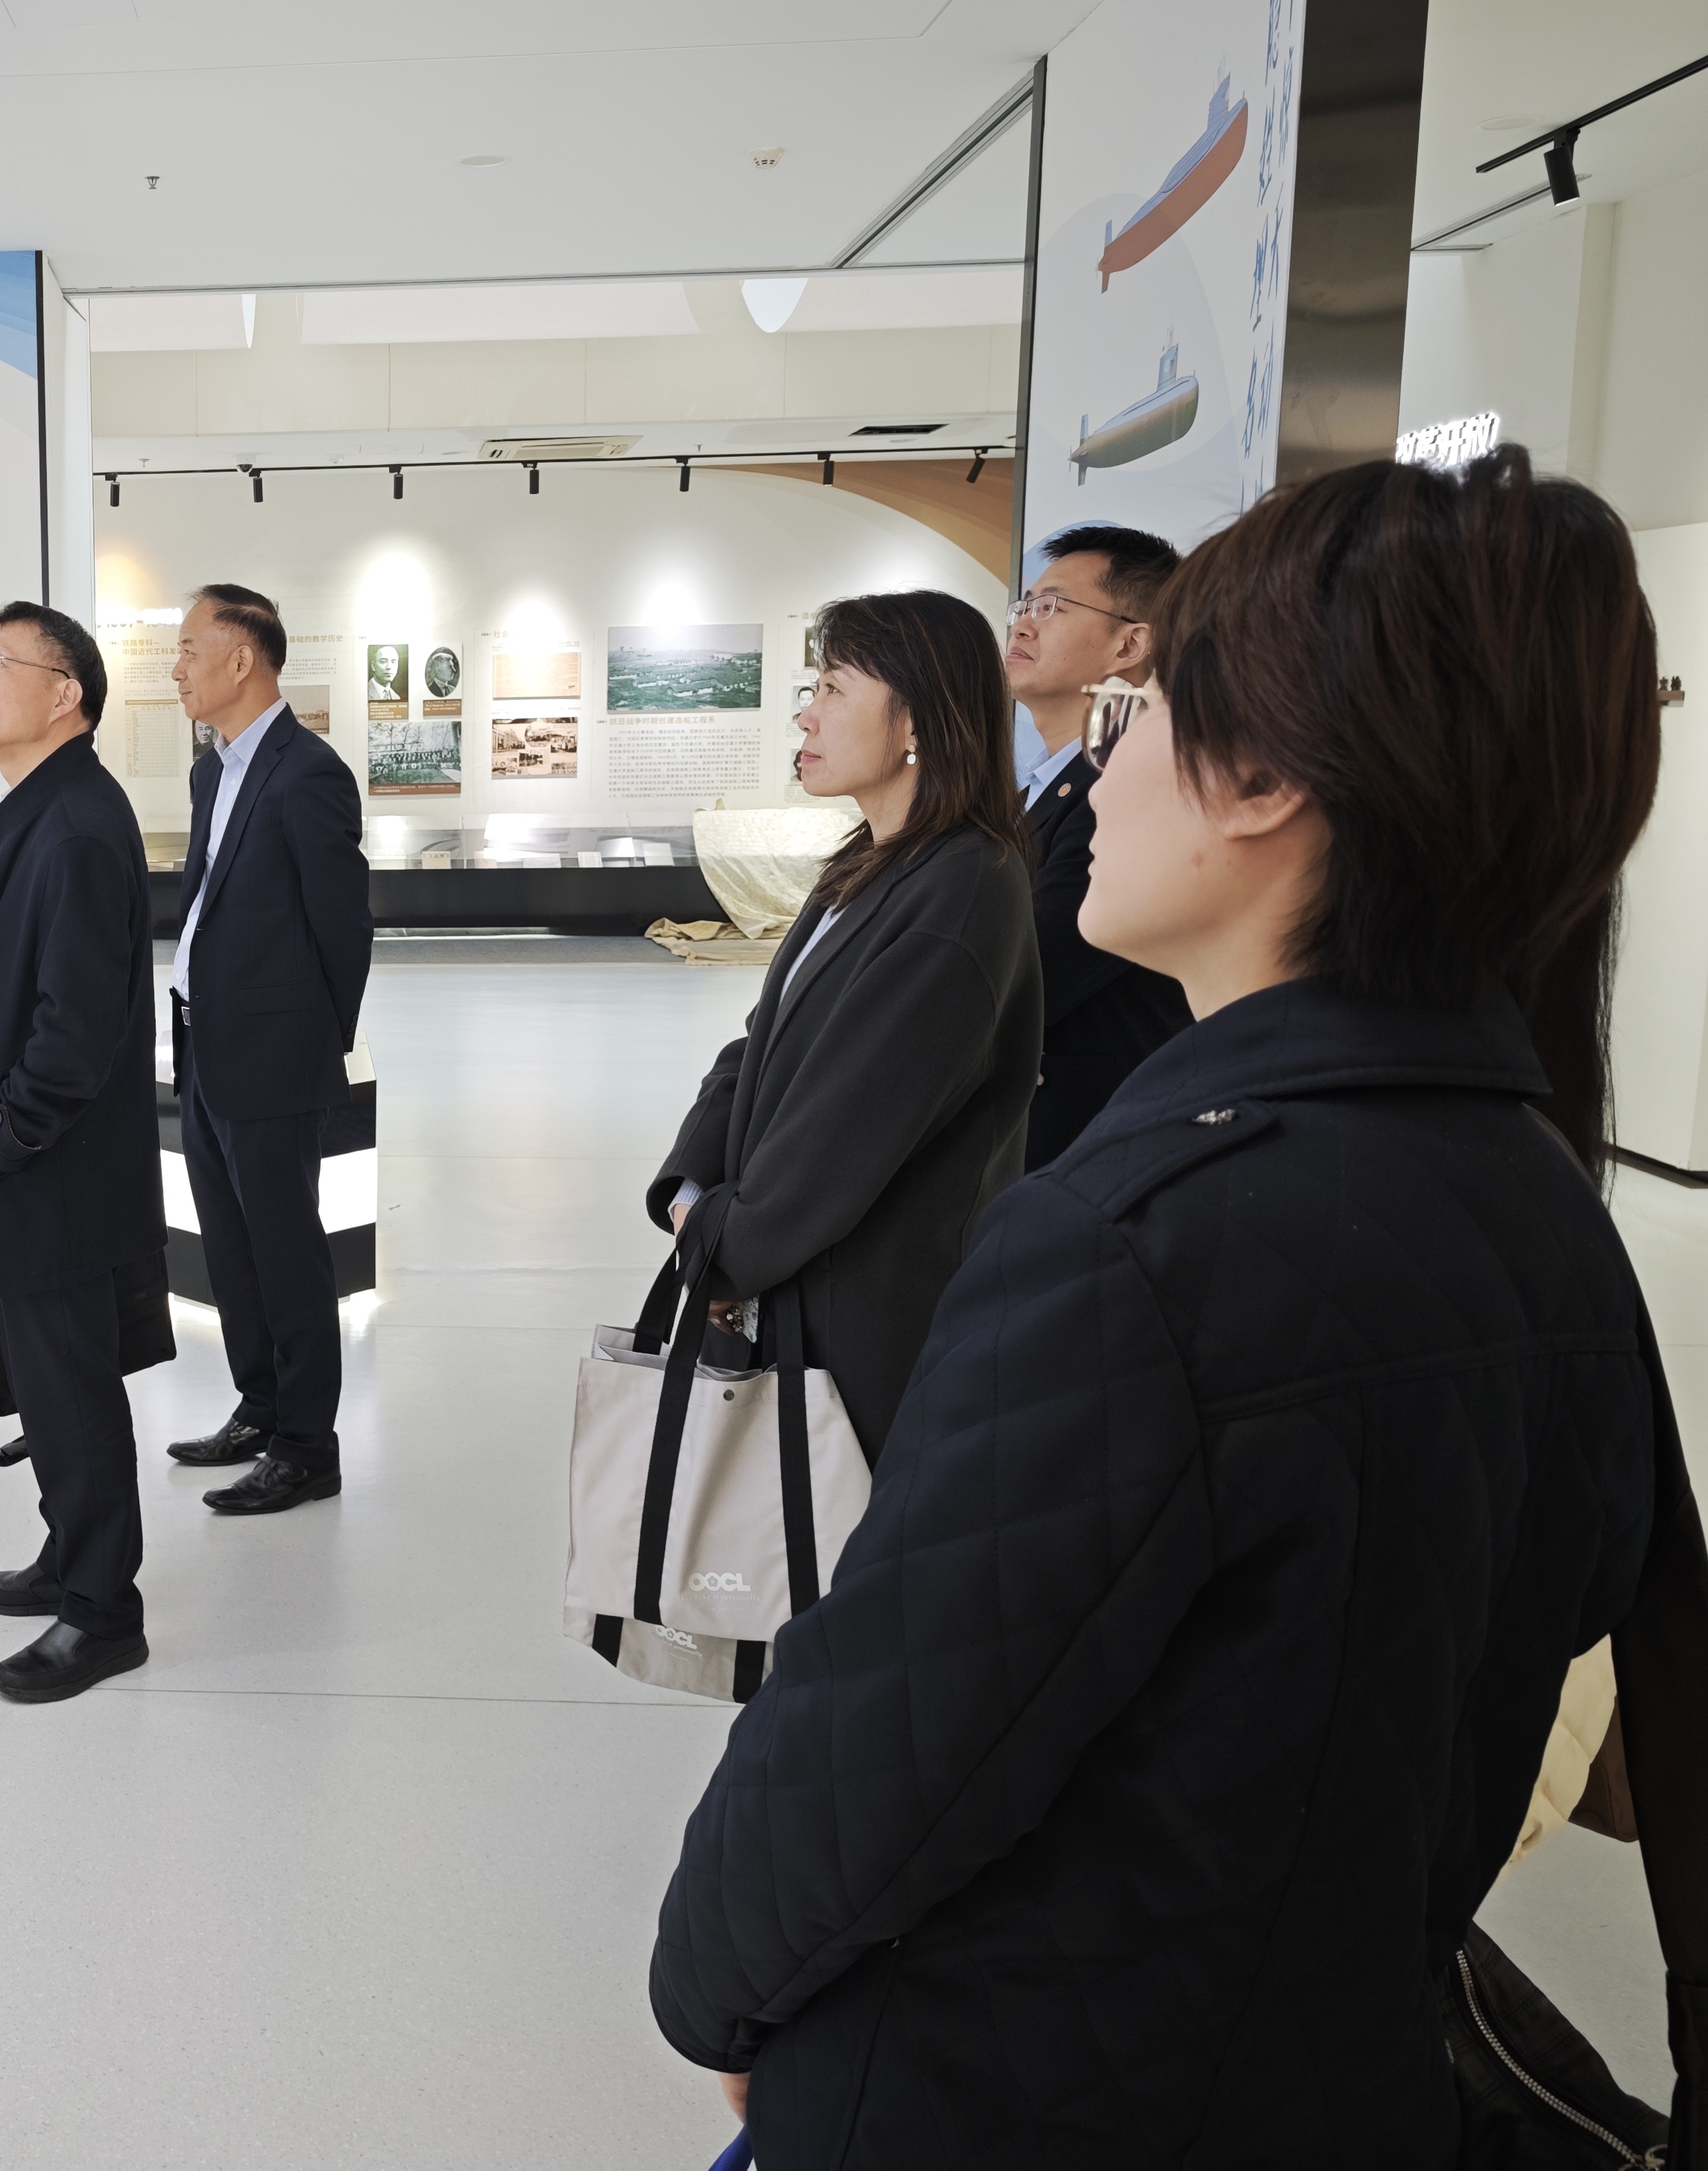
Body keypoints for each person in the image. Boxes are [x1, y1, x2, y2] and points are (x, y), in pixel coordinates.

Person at [648, 449, 1677, 2169]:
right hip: (1308, 2072)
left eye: (1140, 718)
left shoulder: (1140, 1245)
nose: (1099, 773)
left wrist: (722, 1996)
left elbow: (875, 1755)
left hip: (998, 2095)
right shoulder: (1534, 1203)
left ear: (1260, 780)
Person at [646, 590, 1039, 1462]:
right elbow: (760, 1044)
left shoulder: (962, 887)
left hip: (865, 1317)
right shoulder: (869, 862)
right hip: (796, 1284)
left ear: (916, 722)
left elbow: (848, 1123)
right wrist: (690, 1185)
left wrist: (725, 1246)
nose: (806, 713)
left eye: (832, 689)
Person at [0, 601, 165, 1702]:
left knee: (72, 1389)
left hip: (51, 1177)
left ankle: (103, 1614)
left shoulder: (77, 829)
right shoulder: (43, 812)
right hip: (34, 1173)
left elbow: (77, 1029)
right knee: (49, 1386)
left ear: (66, 695)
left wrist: (3, 1134)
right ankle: (69, 1554)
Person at [159, 583, 373, 1510]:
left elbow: (343, 931)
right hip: (204, 1041)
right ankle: (258, 1408)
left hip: (274, 1057)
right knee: (231, 1246)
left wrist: (313, 1052)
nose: (175, 667)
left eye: (188, 648)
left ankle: (307, 1448)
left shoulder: (308, 773)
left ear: (241, 658)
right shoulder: (212, 772)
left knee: (286, 1253)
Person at [1006, 522, 1194, 1164]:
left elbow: (1026, 973)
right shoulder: (1039, 787)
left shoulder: (1123, 786)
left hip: (1091, 1145)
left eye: (1051, 607)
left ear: (1131, 644)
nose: (1022, 625)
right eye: (1025, 605)